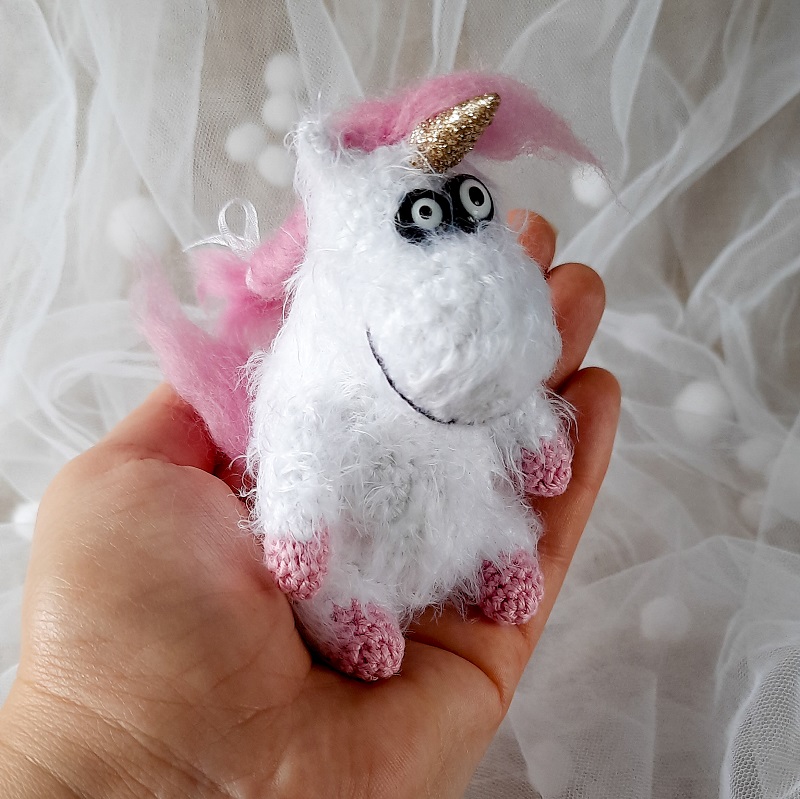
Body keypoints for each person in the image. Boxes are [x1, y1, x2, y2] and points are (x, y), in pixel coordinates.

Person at [0, 213, 619, 799]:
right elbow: (296, 451)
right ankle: (346, 610)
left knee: (492, 514)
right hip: (357, 547)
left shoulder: (478, 310)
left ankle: (491, 554)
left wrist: (536, 442)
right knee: (330, 581)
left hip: (465, 509)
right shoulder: (316, 369)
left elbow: (506, 386)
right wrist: (297, 531)